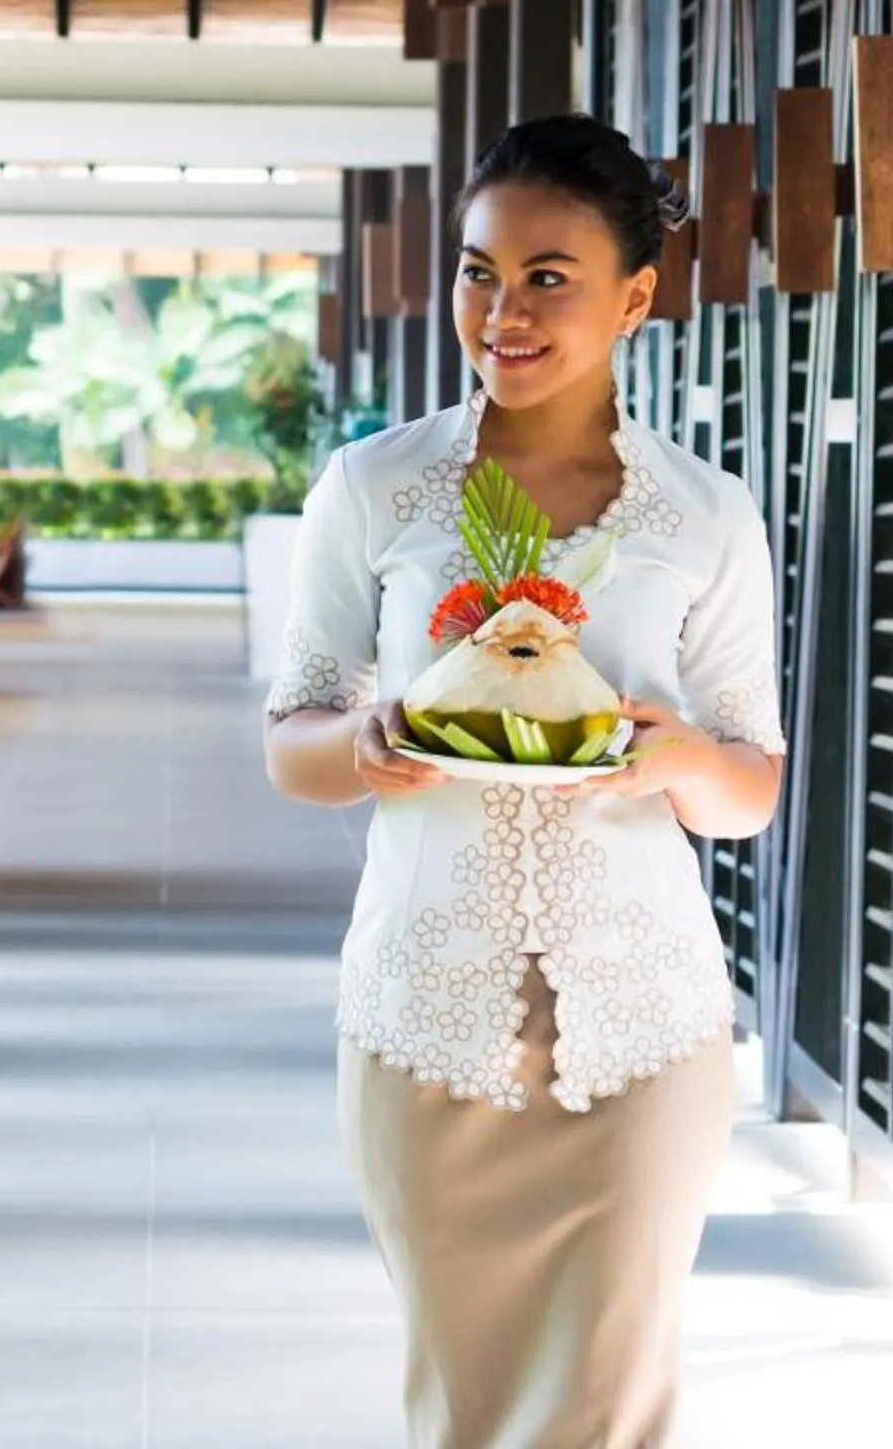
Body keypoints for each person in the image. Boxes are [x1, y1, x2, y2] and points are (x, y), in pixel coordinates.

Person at [263, 116, 786, 1449]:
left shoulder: (707, 515)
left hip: (642, 1025)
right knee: (465, 1406)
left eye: (549, 277)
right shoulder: (374, 488)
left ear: (636, 297)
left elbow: (750, 789)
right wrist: (366, 742)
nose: (503, 311)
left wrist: (679, 756)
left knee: (610, 1407)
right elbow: (293, 744)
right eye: (479, 272)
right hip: (426, 1016)